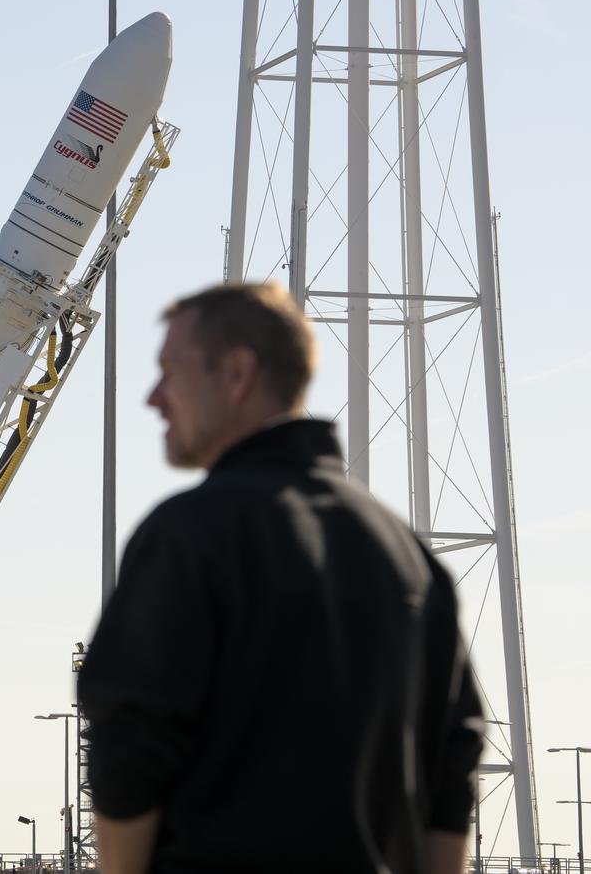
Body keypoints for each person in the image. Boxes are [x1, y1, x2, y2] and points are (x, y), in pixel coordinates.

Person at [77, 282, 483, 874]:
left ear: (236, 373)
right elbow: (454, 760)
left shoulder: (189, 535)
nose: (154, 398)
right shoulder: (407, 555)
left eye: (170, 372)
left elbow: (129, 744)